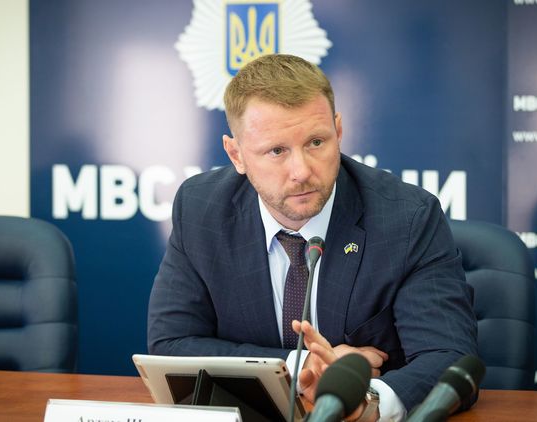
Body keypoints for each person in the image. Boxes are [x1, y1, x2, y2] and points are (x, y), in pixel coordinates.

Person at [148, 54, 477, 421]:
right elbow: (171, 346)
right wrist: (301, 364)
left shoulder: (407, 219)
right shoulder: (200, 208)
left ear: (339, 130)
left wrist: (365, 401)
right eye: (277, 151)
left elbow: (449, 356)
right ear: (236, 154)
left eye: (316, 142)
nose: (301, 171)